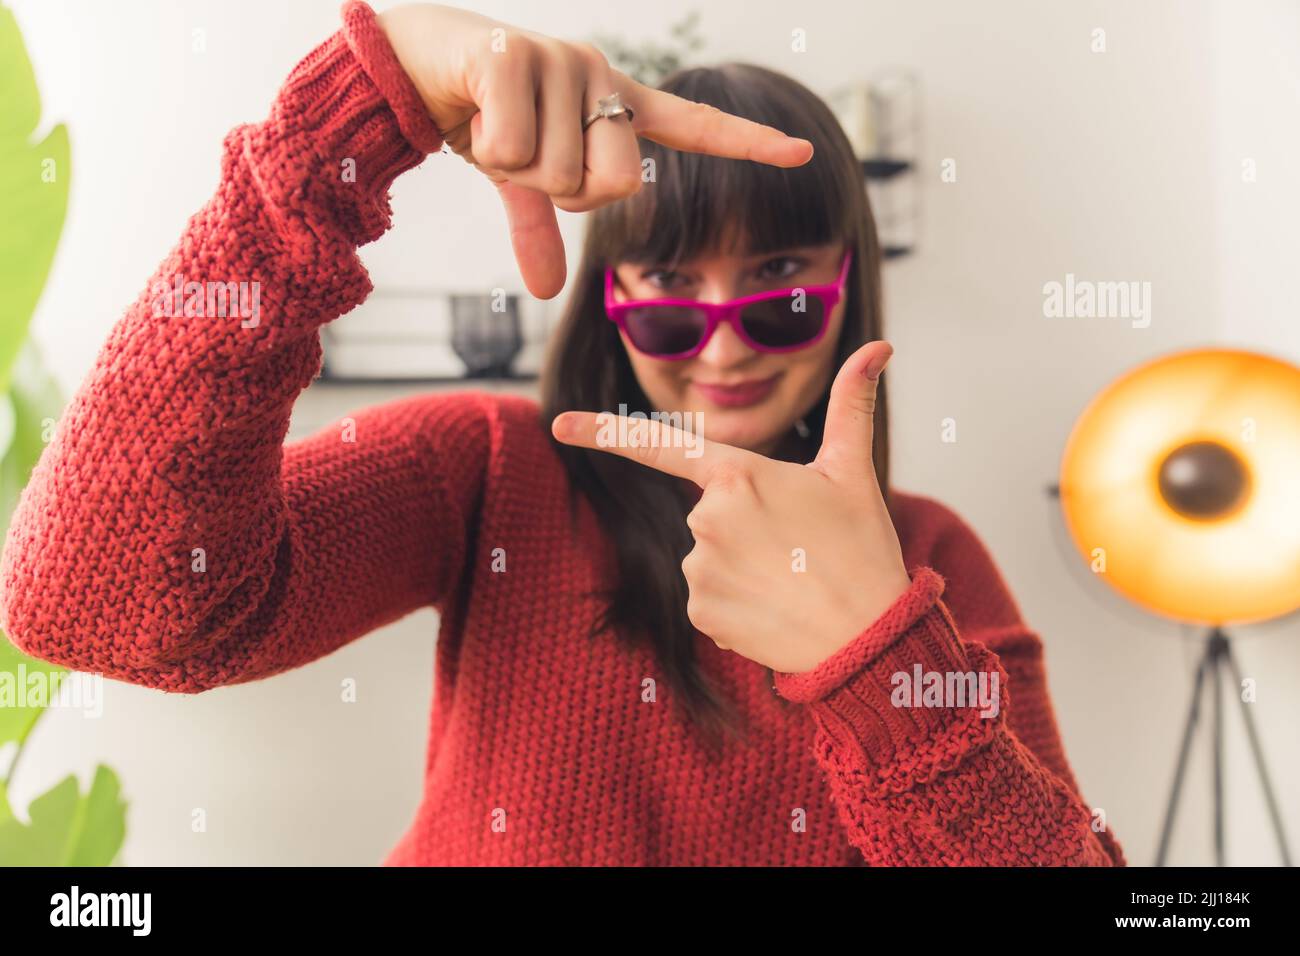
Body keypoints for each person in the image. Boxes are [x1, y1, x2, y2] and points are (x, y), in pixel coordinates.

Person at [0, 0, 1125, 866]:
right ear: (611, 300)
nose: (726, 348)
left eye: (777, 286)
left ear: (847, 288)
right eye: (674, 293)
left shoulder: (929, 563)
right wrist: (343, 127)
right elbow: (90, 608)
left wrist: (873, 653)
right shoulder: (487, 469)